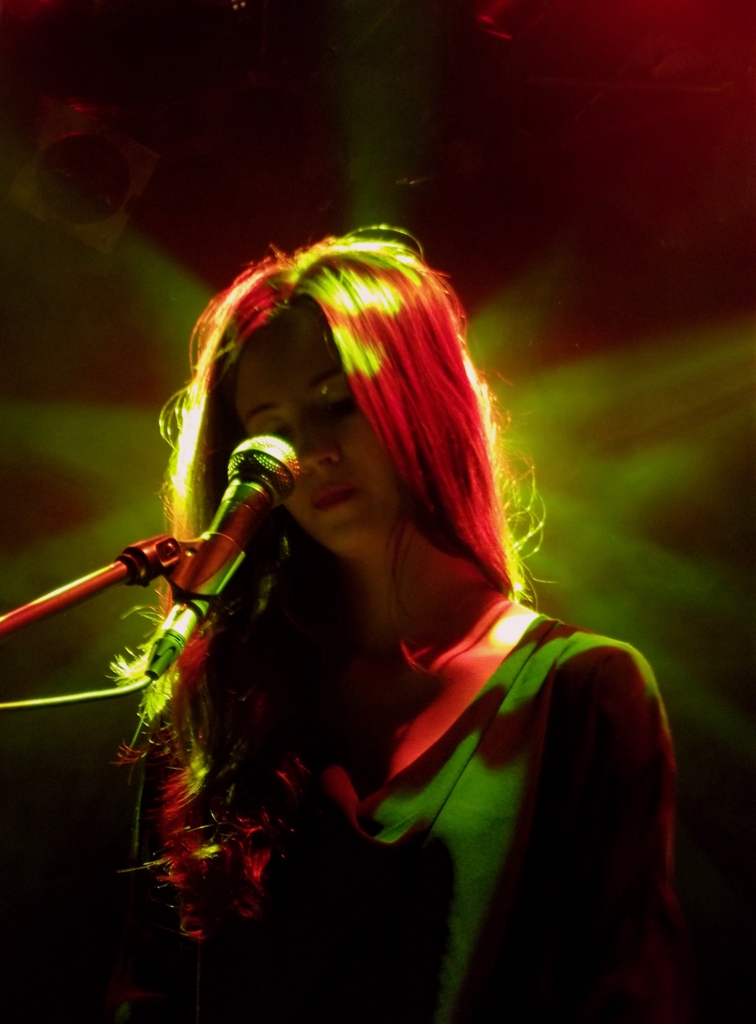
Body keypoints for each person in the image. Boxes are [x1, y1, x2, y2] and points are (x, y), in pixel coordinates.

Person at [107, 229, 691, 1023]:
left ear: (420, 397)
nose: (307, 453)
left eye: (336, 401)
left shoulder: (586, 691)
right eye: (269, 430)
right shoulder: (222, 698)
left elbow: (628, 992)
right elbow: (152, 990)